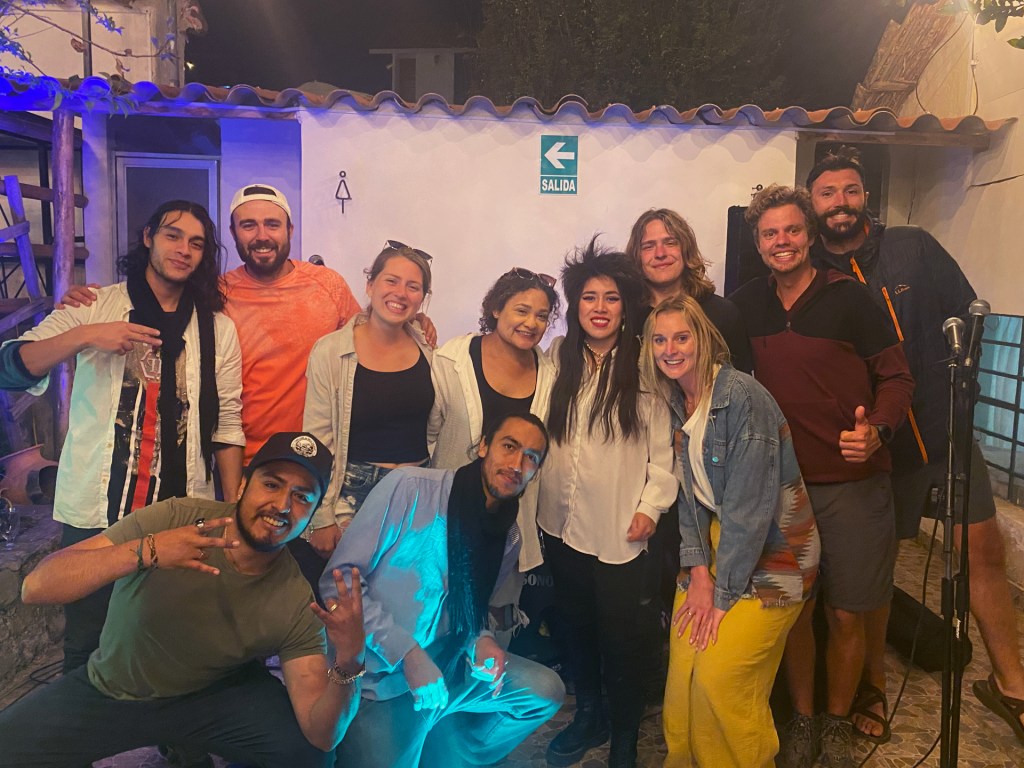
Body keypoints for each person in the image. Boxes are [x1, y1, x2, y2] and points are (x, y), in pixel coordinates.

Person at [807, 146, 1024, 747]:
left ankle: (1012, 686)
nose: (840, 203)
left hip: (946, 432)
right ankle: (873, 690)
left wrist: (965, 385)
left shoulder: (915, 247)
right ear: (813, 204)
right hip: (880, 451)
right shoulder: (814, 275)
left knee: (982, 553)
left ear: (865, 198)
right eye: (827, 194)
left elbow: (969, 311)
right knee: (877, 577)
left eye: (849, 190)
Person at [0, 432, 364, 768]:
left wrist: (349, 661)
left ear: (311, 518)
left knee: (307, 757)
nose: (282, 505)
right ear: (241, 485)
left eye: (302, 498)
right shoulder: (177, 519)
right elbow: (36, 586)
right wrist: (148, 550)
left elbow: (320, 735)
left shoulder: (294, 598)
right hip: (113, 688)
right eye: (271, 484)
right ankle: (182, 749)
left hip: (213, 697)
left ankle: (186, 744)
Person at [0, 200, 245, 674]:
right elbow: (13, 365)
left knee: (177, 635)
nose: (184, 249)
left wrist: (228, 507)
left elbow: (227, 425)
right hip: (98, 509)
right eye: (173, 235)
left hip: (180, 508)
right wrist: (87, 335)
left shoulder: (217, 328)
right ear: (148, 236)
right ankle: (78, 747)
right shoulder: (96, 306)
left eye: (196, 243)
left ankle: (179, 744)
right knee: (88, 640)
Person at [729, 184, 914, 768]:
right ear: (757, 244)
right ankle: (804, 717)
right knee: (796, 611)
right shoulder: (746, 305)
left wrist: (879, 431)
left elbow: (899, 379)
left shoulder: (852, 298)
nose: (781, 242)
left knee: (847, 610)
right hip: (781, 486)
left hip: (852, 485)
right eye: (769, 234)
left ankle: (837, 722)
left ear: (809, 235)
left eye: (791, 230)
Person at [320, 413, 566, 767]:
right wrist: (408, 653)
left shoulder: (508, 536)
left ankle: (450, 754)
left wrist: (481, 640)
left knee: (544, 692)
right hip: (384, 680)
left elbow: (473, 611)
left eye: (531, 457)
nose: (517, 464)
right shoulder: (410, 489)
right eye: (509, 447)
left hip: (453, 665)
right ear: (483, 447)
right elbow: (338, 582)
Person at [641, 295, 820, 768]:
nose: (670, 348)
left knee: (720, 679)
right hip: (716, 548)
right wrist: (698, 574)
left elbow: (751, 512)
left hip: (776, 557)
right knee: (682, 677)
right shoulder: (678, 399)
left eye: (681, 337)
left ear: (703, 339)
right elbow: (689, 498)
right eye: (660, 339)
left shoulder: (741, 396)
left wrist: (721, 598)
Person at [538, 241, 677, 768]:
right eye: (589, 297)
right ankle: (588, 714)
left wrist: (651, 507)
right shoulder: (556, 358)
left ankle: (623, 736)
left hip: (622, 529)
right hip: (559, 522)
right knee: (575, 628)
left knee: (624, 640)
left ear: (627, 306)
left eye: (611, 298)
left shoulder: (647, 367)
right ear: (574, 306)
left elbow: (665, 455)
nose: (599, 307)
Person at [429, 267, 560, 590]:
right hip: (447, 517)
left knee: (495, 626)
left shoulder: (551, 376)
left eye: (542, 316)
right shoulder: (450, 360)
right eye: (522, 310)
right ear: (496, 308)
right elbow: (428, 438)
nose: (531, 323)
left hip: (510, 527)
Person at [303, 243, 435, 560]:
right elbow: (317, 439)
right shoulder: (331, 351)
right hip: (352, 493)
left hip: (418, 493)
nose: (401, 293)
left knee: (405, 600)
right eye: (391, 281)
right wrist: (320, 518)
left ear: (422, 298)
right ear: (370, 284)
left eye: (413, 286)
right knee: (348, 596)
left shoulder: (429, 350)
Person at [625, 207, 752, 372]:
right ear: (637, 256)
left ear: (686, 250)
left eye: (670, 243)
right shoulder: (625, 317)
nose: (660, 253)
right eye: (648, 246)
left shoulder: (723, 314)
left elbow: (740, 387)